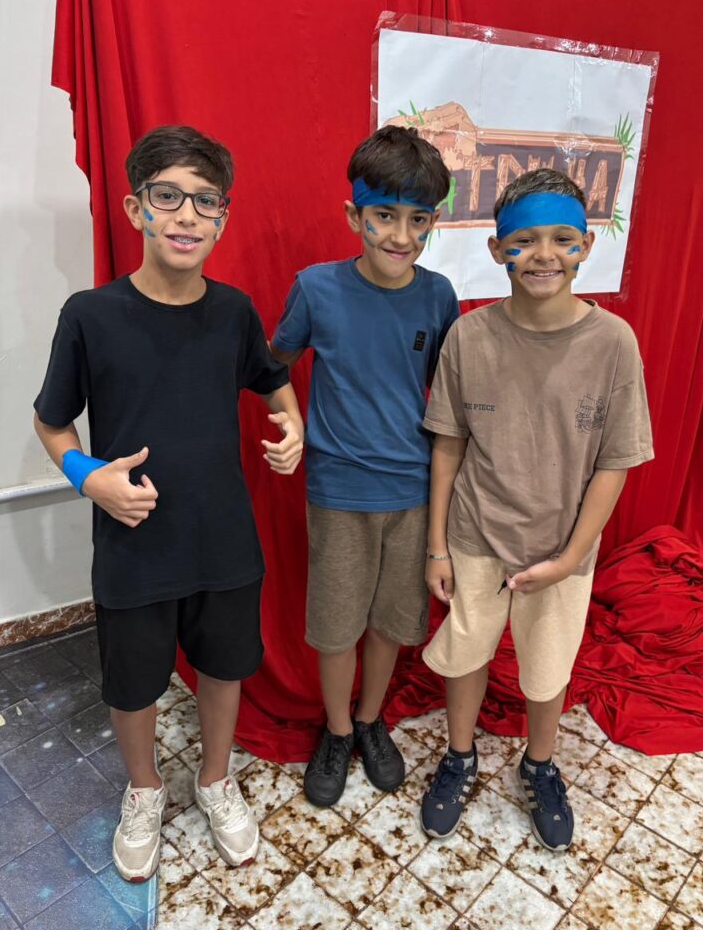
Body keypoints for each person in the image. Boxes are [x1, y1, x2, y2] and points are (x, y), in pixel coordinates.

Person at [33, 125, 304, 882]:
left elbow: (272, 380)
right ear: (136, 209)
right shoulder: (90, 315)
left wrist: (294, 427)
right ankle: (145, 788)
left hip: (223, 537)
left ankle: (216, 779)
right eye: (168, 196)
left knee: (224, 667)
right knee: (132, 681)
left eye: (206, 201)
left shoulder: (235, 311)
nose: (187, 215)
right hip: (134, 541)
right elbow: (52, 423)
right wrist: (88, 477)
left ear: (223, 217)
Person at [419, 167, 653, 851]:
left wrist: (571, 557)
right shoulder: (468, 337)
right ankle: (460, 755)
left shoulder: (613, 344)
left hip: (561, 544)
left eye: (561, 239)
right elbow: (448, 446)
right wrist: (437, 545)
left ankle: (541, 764)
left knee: (548, 665)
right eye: (524, 241)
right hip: (475, 533)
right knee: (466, 650)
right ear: (498, 250)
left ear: (586, 246)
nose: (543, 255)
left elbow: (615, 461)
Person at [271, 125, 459, 806]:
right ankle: (337, 727)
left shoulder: (438, 296)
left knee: (390, 621)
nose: (400, 236)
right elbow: (271, 366)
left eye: (418, 220)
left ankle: (372, 718)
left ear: (432, 222)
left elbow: (447, 392)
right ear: (355, 216)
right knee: (336, 623)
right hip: (339, 489)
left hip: (413, 492)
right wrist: (292, 420)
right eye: (385, 216)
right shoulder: (316, 289)